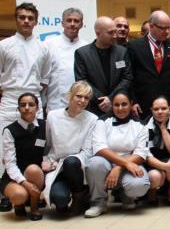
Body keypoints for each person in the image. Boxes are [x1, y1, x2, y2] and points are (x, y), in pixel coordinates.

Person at [0, 3, 51, 211]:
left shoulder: (43, 47)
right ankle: (4, 193)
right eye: (22, 17)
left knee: (33, 147)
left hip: (33, 98)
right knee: (2, 148)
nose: (26, 21)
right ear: (16, 19)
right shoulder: (4, 45)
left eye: (30, 17)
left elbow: (45, 79)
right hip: (11, 98)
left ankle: (34, 191)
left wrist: (35, 101)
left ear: (36, 21)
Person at [84, 93, 150, 218]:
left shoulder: (141, 126)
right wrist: (123, 163)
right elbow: (99, 148)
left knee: (140, 185)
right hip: (106, 162)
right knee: (94, 164)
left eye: (124, 104)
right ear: (112, 106)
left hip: (131, 164)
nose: (120, 108)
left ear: (131, 104)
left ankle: (125, 195)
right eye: (116, 105)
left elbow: (141, 154)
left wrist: (119, 167)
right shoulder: (102, 121)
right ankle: (98, 202)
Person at [42, 81, 97, 215]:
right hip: (57, 167)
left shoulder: (92, 119)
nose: (82, 100)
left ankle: (79, 195)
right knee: (60, 200)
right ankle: (68, 196)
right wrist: (47, 161)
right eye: (79, 96)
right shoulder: (53, 116)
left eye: (86, 98)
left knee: (70, 162)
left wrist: (71, 160)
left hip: (77, 167)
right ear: (70, 96)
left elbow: (87, 151)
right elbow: (48, 144)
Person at [128, 10, 170, 117]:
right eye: (163, 28)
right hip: (143, 104)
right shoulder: (134, 46)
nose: (167, 31)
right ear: (151, 26)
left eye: (169, 27)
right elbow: (130, 77)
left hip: (169, 104)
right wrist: (133, 101)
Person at [74, 16, 133, 116]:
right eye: (110, 33)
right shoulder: (82, 53)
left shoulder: (122, 52)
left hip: (117, 107)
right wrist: (102, 101)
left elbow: (127, 78)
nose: (115, 36)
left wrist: (111, 99)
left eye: (115, 32)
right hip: (93, 108)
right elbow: (82, 81)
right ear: (98, 33)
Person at [1, 93, 45, 220]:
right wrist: (24, 183)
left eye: (31, 105)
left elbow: (50, 150)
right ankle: (19, 204)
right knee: (19, 195)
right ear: (18, 108)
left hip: (36, 174)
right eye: (23, 105)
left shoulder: (44, 126)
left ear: (37, 108)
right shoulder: (10, 130)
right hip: (13, 176)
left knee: (34, 169)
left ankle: (34, 207)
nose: (27, 108)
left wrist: (49, 161)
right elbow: (9, 164)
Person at [44, 7, 88, 112]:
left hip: (81, 105)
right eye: (69, 20)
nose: (72, 24)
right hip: (56, 104)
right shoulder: (48, 45)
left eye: (76, 21)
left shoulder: (87, 47)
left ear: (81, 24)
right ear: (62, 23)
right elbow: (44, 78)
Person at [143, 97, 170, 206]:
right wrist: (165, 167)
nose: (160, 112)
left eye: (164, 108)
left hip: (169, 159)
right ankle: (152, 192)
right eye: (156, 109)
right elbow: (147, 157)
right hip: (151, 163)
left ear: (169, 109)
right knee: (155, 177)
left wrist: (163, 129)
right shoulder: (143, 126)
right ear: (151, 110)